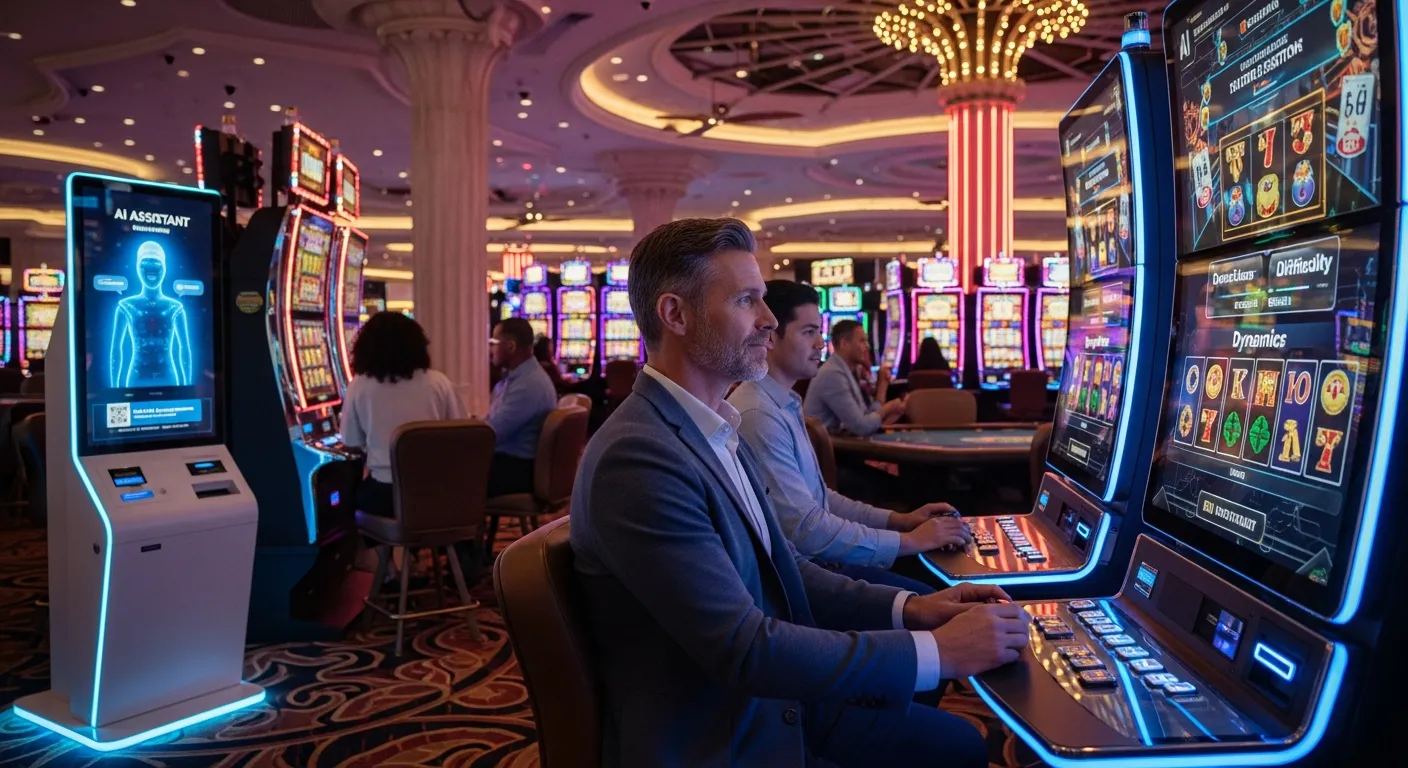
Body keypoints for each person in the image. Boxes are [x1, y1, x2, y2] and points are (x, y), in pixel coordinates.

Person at [570, 217, 1030, 767]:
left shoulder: (715, 426)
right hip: (727, 731)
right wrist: (939, 651)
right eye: (746, 301)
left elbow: (786, 567)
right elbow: (743, 650)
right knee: (955, 749)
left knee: (955, 742)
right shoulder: (639, 456)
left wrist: (914, 609)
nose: (768, 320)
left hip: (772, 701)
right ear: (676, 314)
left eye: (763, 300)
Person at [730, 280, 973, 594]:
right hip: (811, 579)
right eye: (809, 332)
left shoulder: (782, 401)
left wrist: (899, 521)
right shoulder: (758, 414)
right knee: (947, 597)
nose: (821, 343)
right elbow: (806, 530)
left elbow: (821, 499)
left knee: (947, 573)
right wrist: (910, 540)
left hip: (825, 562)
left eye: (819, 331)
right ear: (770, 337)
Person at [342, 312, 466, 518]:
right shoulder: (438, 382)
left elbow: (350, 441)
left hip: (385, 494)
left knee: (347, 499)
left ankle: (381, 549)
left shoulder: (359, 385)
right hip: (438, 492)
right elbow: (461, 433)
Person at [486, 317, 560, 497]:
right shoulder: (519, 379)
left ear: (510, 346)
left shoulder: (529, 384)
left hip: (517, 471)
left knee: (450, 475)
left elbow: (492, 434)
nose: (490, 349)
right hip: (512, 464)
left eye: (494, 342)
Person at [804, 319, 906, 437]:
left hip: (842, 444)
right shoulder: (833, 374)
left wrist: (882, 387)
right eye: (862, 341)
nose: (867, 346)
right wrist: (888, 408)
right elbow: (861, 427)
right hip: (828, 450)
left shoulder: (848, 370)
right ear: (844, 344)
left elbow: (866, 417)